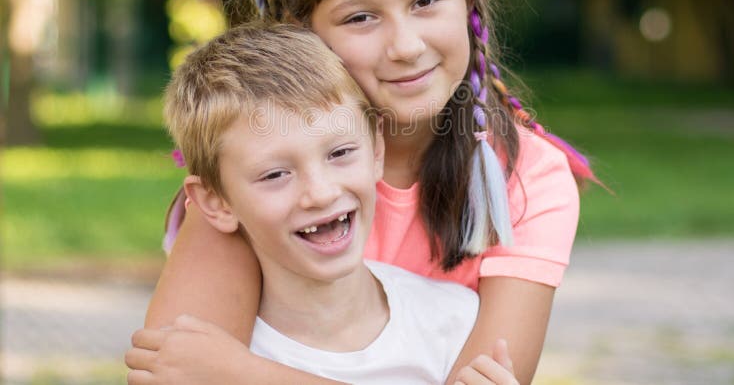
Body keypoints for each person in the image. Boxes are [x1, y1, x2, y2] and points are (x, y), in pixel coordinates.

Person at [127, 0, 596, 385]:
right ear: (300, 34)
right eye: (360, 17)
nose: (405, 46)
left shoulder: (528, 178)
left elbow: (216, 372)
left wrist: (241, 372)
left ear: (469, 4)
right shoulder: (263, 171)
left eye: (425, 2)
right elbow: (175, 374)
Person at [126, 22, 516, 383]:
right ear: (216, 203)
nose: (321, 192)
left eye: (340, 153)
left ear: (376, 147)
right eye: (275, 175)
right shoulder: (199, 359)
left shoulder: (454, 322)